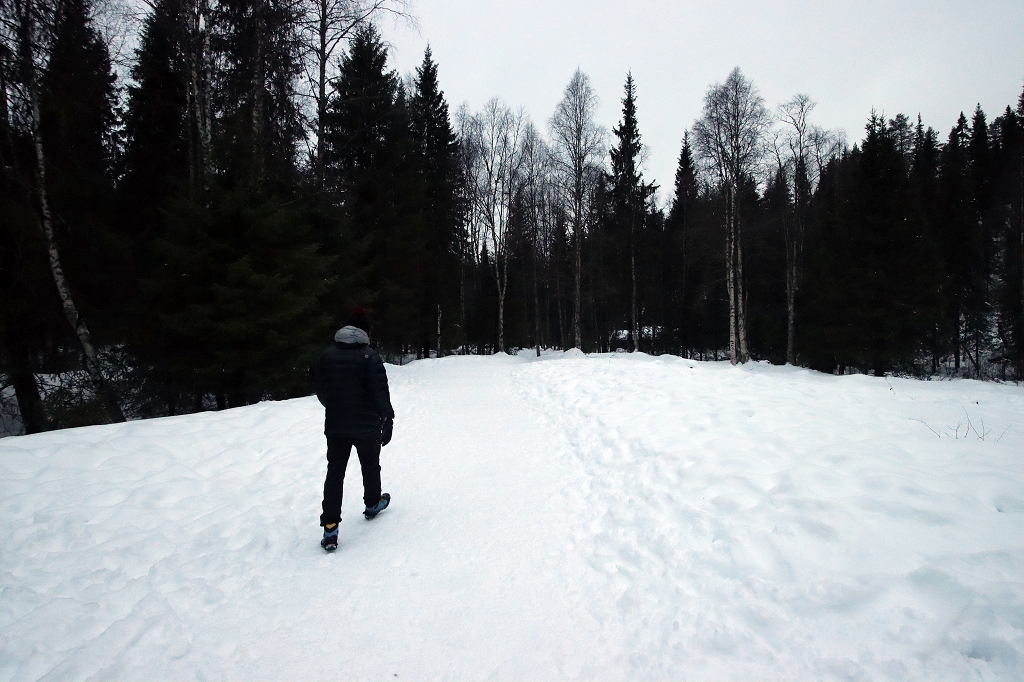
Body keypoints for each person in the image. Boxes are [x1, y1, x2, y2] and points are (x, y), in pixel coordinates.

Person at [311, 307, 395, 551]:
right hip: (367, 425)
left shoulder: (326, 356)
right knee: (370, 465)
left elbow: (320, 386)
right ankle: (372, 504)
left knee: (335, 473)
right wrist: (387, 419)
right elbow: (380, 393)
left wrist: (335, 405)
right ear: (365, 332)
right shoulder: (370, 357)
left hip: (336, 425)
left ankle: (330, 528)